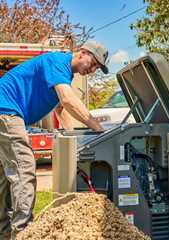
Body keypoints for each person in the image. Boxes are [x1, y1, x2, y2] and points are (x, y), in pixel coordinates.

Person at [0, 40, 108, 239]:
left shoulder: (63, 74)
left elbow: (60, 108)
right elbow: (68, 100)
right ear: (82, 52)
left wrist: (73, 138)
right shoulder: (58, 62)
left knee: (6, 178)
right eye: (93, 64)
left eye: (97, 68)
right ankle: (24, 233)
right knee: (24, 169)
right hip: (6, 111)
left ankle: (5, 232)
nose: (92, 70)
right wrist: (98, 128)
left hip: (6, 112)